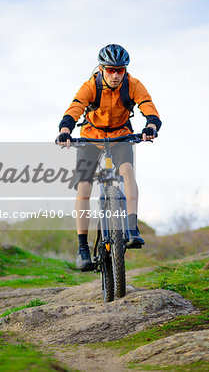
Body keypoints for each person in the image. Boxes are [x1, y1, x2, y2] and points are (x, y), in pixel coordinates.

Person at [57, 44, 161, 271]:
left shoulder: (132, 85)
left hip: (121, 137)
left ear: (125, 70)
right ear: (102, 68)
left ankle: (132, 229)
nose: (115, 75)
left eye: (120, 70)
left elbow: (148, 106)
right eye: (111, 70)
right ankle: (83, 247)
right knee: (84, 187)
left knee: (127, 172)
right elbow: (75, 108)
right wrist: (65, 130)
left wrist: (151, 125)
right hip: (90, 139)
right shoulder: (91, 86)